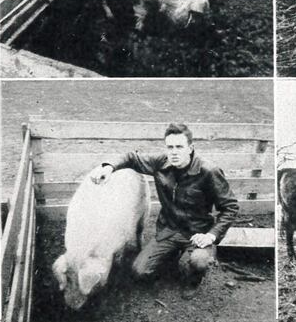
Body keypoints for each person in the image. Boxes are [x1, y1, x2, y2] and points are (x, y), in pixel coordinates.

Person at [89, 123, 239, 299]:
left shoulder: (208, 171)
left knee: (199, 260)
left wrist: (211, 236)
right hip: (169, 230)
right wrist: (108, 167)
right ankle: (170, 256)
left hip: (197, 233)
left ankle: (193, 280)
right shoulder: (161, 163)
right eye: (170, 147)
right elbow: (131, 157)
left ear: (190, 148)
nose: (174, 152)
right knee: (139, 271)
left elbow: (230, 207)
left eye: (179, 147)